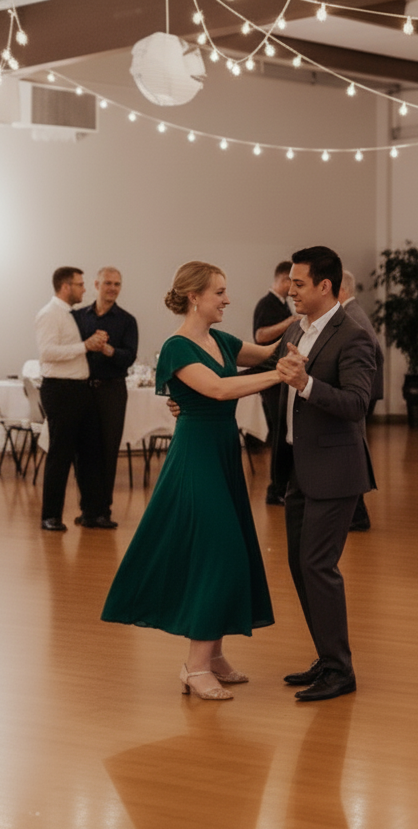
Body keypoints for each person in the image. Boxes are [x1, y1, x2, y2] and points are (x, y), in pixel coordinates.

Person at [101, 260, 281, 700]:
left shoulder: (219, 340)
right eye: (219, 291)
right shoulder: (177, 347)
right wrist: (280, 376)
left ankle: (214, 656)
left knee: (230, 550)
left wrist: (301, 325)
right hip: (196, 458)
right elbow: (220, 390)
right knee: (217, 554)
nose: (227, 299)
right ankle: (195, 667)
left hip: (222, 455)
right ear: (194, 297)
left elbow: (267, 352)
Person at [274, 245, 377, 702]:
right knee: (300, 565)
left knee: (318, 565)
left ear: (325, 286)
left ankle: (341, 670)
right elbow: (267, 366)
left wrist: (306, 384)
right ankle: (326, 656)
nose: (289, 289)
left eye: (298, 283)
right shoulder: (300, 327)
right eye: (290, 282)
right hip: (300, 466)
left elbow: (358, 403)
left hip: (335, 470)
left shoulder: (353, 334)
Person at [34, 267, 109, 532]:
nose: (84, 289)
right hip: (61, 390)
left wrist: (92, 343)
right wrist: (85, 346)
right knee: (60, 455)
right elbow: (47, 352)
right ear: (66, 286)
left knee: (89, 453)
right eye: (80, 284)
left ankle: (92, 513)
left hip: (80, 389)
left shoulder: (71, 315)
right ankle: (50, 516)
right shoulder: (49, 314)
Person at [72, 266, 138, 528]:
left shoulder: (127, 320)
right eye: (108, 283)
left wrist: (108, 349)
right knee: (82, 450)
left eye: (117, 284)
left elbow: (129, 357)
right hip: (82, 389)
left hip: (112, 390)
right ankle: (87, 510)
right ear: (97, 284)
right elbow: (71, 350)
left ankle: (103, 511)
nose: (113, 288)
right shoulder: (78, 317)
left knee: (107, 450)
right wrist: (89, 345)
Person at [339, 269, 384, 530]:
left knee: (352, 449)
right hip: (364, 392)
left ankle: (357, 515)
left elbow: (371, 356)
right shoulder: (354, 313)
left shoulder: (351, 316)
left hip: (360, 393)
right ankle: (356, 514)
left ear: (341, 290)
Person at [252, 261, 297, 506]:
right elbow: (259, 336)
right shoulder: (266, 304)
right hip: (271, 377)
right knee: (279, 433)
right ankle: (275, 488)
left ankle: (282, 485)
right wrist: (288, 323)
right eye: (293, 281)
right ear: (283, 280)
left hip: (280, 375)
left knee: (285, 431)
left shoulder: (281, 304)